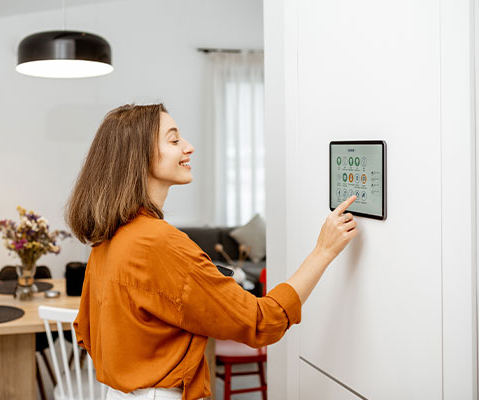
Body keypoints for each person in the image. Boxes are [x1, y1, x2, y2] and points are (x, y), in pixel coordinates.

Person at [66, 104, 358, 400]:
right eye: (174, 139)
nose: (188, 147)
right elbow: (262, 322)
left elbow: (86, 331)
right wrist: (323, 251)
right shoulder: (159, 242)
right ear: (138, 156)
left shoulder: (107, 237)